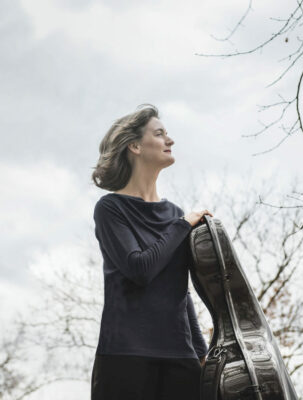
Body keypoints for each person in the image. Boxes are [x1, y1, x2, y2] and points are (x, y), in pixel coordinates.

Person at [90, 103, 213, 400]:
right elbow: (140, 269)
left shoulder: (175, 214)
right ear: (134, 146)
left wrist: (201, 351)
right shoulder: (110, 209)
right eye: (159, 134)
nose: (169, 141)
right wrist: (181, 225)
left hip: (180, 357)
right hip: (124, 357)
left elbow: (180, 293)